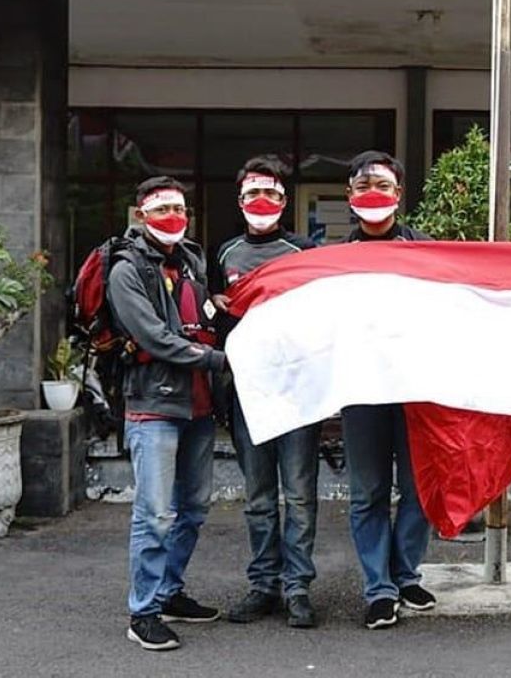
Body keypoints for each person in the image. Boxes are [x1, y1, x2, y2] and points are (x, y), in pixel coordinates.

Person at [108, 176, 226, 652]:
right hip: (152, 404)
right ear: (140, 215)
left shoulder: (193, 260)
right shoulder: (125, 270)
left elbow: (204, 318)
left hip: (197, 404)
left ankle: (169, 591)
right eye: (161, 210)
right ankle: (144, 611)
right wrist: (219, 361)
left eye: (179, 208)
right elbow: (154, 338)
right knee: (155, 513)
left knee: (194, 508)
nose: (172, 217)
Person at [211, 156, 321, 629]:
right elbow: (214, 319)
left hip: (297, 390)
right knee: (258, 496)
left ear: (284, 200)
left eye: (271, 194)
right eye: (253, 194)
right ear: (240, 201)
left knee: (298, 494)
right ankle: (263, 586)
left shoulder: (305, 252)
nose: (262, 202)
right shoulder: (224, 254)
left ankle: (298, 588)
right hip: (247, 390)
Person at [339, 150, 437, 630]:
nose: (372, 194)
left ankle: (406, 574)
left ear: (399, 194)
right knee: (368, 493)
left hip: (417, 390)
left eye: (382, 185)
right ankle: (379, 589)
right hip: (361, 392)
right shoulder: (333, 263)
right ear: (349, 197)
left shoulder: (428, 254)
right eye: (363, 186)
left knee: (419, 491)